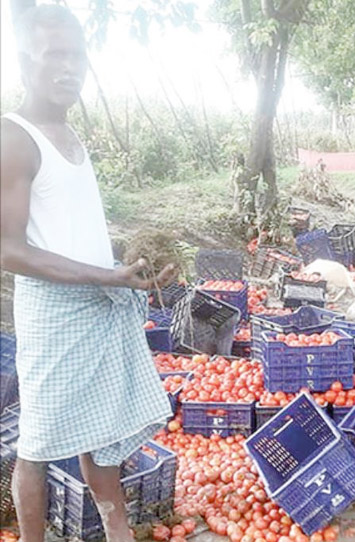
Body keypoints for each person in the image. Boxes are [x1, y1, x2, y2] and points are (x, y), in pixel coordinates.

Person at [0, 6, 176, 542]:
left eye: (77, 56)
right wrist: (104, 277)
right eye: (55, 55)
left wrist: (126, 269)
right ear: (24, 61)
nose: (69, 68)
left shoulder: (68, 134)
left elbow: (75, 229)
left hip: (100, 303)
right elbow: (8, 248)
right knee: (38, 442)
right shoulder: (15, 137)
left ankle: (115, 531)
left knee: (99, 433)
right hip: (55, 314)